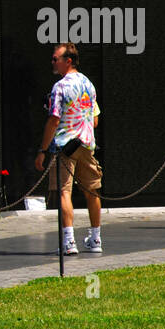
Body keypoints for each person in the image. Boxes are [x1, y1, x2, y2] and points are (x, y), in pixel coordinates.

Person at [34, 43, 103, 255]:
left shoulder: (60, 87)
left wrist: (42, 150)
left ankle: (69, 241)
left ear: (68, 60)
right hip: (86, 144)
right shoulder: (88, 84)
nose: (53, 62)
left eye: (56, 59)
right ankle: (95, 239)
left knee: (65, 192)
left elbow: (54, 120)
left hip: (64, 146)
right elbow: (95, 120)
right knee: (92, 191)